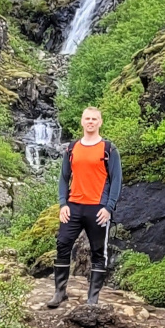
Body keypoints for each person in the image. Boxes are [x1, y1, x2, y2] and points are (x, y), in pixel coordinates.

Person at [50, 106, 121, 309]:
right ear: (82, 122)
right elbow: (64, 178)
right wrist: (63, 204)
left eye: (94, 119)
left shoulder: (109, 149)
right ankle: (59, 292)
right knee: (62, 245)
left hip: (97, 208)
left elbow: (116, 180)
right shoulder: (72, 148)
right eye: (87, 118)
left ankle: (93, 299)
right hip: (73, 207)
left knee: (98, 252)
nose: (90, 122)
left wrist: (109, 207)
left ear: (100, 122)